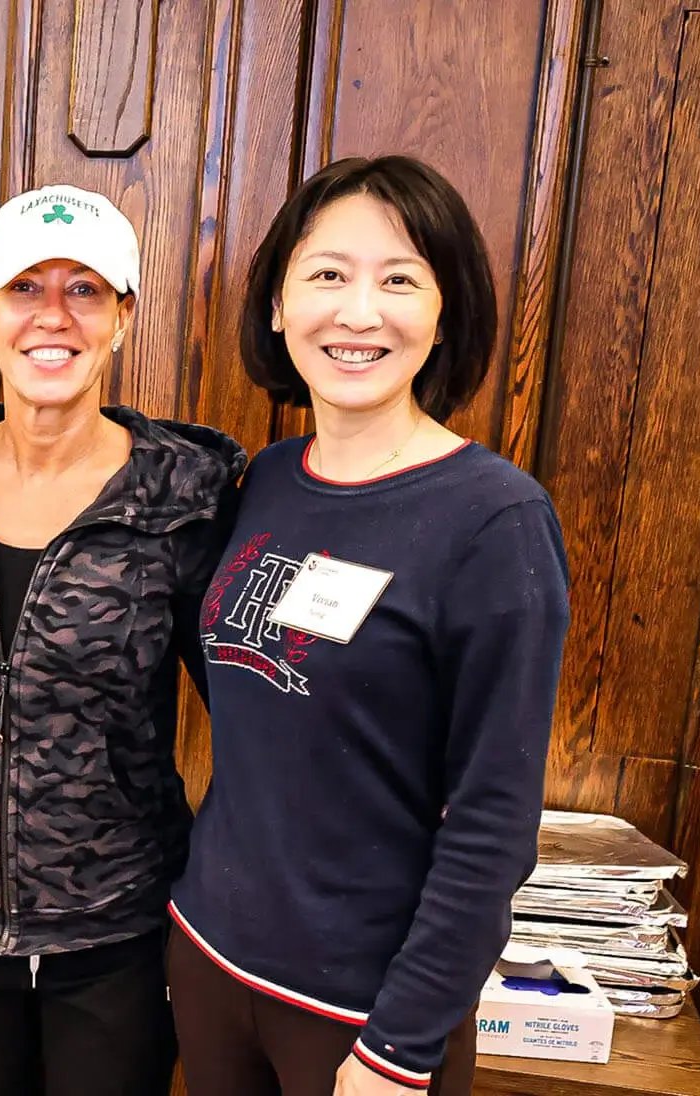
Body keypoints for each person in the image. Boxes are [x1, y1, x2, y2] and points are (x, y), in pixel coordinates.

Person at [167, 155, 570, 1096]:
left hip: (361, 1012)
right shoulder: (263, 482)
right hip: (207, 958)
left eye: (399, 279)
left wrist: (401, 1047)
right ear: (277, 304)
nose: (358, 313)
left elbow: (494, 823)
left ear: (444, 312)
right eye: (327, 275)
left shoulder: (494, 521)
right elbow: (244, 691)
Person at [0, 184, 245, 1095]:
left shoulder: (185, 502)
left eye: (85, 290)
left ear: (124, 317)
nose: (54, 317)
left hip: (118, 938)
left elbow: (257, 718)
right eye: (25, 290)